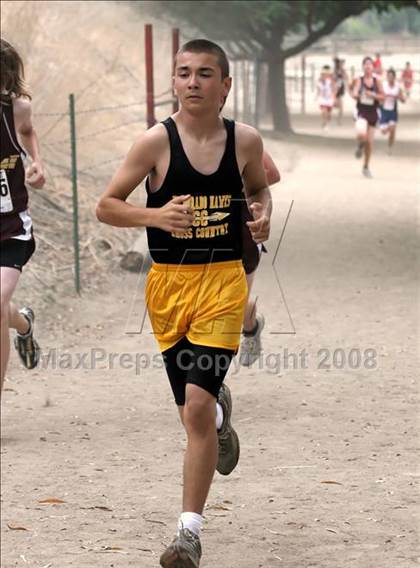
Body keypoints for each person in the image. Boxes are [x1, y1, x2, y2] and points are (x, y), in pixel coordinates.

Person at [96, 39, 272, 568]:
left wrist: (261, 216)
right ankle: (220, 421)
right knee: (194, 414)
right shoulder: (154, 143)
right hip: (168, 288)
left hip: (222, 282)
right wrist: (155, 217)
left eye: (204, 74)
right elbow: (106, 207)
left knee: (194, 406)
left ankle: (187, 535)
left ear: (225, 85)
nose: (192, 82)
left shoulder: (245, 141)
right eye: (183, 73)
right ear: (173, 82)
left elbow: (260, 189)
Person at [0, 38, 45, 395]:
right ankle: (24, 323)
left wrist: (36, 162)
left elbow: (28, 132)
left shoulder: (17, 110)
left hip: (11, 227)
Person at [239, 151, 279, 366]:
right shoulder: (179, 138)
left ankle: (251, 327)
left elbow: (272, 174)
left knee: (237, 302)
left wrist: (243, 191)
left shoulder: (239, 137)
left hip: (244, 229)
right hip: (203, 231)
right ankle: (209, 386)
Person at [352, 56, 384, 178]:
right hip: (361, 111)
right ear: (363, 67)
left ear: (373, 67)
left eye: (370, 64)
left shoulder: (377, 81)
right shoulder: (359, 80)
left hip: (373, 112)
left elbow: (383, 97)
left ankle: (366, 167)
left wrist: (373, 95)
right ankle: (360, 145)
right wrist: (359, 95)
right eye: (365, 64)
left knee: (370, 142)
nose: (368, 66)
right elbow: (354, 93)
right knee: (361, 134)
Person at [379, 68, 405, 154]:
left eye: (391, 76)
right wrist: (383, 97)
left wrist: (398, 97)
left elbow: (403, 100)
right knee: (383, 131)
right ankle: (387, 130)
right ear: (387, 77)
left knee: (393, 131)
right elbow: (379, 97)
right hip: (383, 111)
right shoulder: (383, 85)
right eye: (388, 76)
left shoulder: (398, 87)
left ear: (394, 77)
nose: (390, 78)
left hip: (393, 112)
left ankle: (390, 148)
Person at [316, 65, 336, 130]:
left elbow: (334, 89)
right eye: (323, 74)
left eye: (326, 74)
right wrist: (317, 96)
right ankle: (324, 123)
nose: (325, 75)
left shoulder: (331, 80)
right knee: (324, 111)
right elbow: (318, 89)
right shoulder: (319, 80)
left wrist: (334, 96)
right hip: (322, 98)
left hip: (329, 98)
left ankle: (326, 122)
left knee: (329, 114)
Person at [333, 57, 348, 125]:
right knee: (338, 106)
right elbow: (333, 78)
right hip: (335, 89)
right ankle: (337, 120)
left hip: (340, 89)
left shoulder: (342, 70)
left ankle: (338, 120)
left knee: (340, 106)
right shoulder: (335, 70)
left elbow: (346, 77)